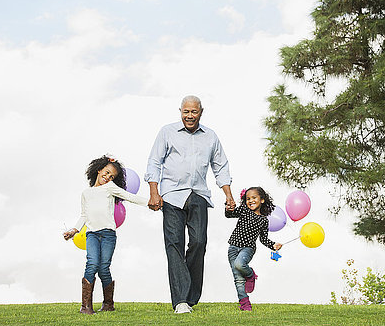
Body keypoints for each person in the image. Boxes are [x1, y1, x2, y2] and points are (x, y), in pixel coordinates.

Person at [145, 95, 236, 314]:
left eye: (194, 112)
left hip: (198, 194)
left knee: (199, 242)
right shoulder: (167, 132)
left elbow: (220, 166)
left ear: (201, 112)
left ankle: (191, 296)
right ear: (180, 112)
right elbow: (154, 162)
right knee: (174, 244)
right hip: (172, 195)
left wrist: (229, 195)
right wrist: (154, 193)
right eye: (186, 112)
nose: (190, 116)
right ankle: (180, 301)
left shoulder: (210, 136)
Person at [63, 155, 147, 314]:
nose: (107, 177)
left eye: (111, 176)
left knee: (103, 268)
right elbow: (84, 215)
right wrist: (74, 230)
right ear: (99, 169)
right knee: (92, 264)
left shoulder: (110, 188)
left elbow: (129, 196)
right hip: (92, 234)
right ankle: (85, 306)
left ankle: (108, 304)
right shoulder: (86, 193)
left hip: (108, 234)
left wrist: (149, 202)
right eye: (106, 172)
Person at [226, 187, 282, 311]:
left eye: (254, 198)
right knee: (238, 277)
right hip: (233, 247)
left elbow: (263, 239)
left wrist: (273, 245)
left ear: (262, 200)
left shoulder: (263, 220)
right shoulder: (244, 210)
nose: (250, 200)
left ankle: (251, 275)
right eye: (248, 199)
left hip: (248, 248)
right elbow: (230, 215)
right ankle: (244, 302)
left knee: (239, 264)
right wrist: (228, 208)